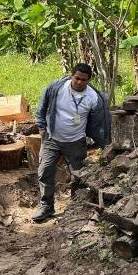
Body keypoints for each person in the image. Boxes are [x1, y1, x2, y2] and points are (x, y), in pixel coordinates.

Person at [33, 63, 111, 222]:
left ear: (89, 80)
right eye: (77, 78)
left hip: (76, 141)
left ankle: (77, 206)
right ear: (71, 76)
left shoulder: (94, 98)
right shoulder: (57, 88)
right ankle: (47, 206)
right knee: (45, 171)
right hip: (52, 138)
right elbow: (41, 107)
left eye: (84, 80)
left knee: (79, 176)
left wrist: (105, 144)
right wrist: (41, 127)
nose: (79, 82)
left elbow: (98, 124)